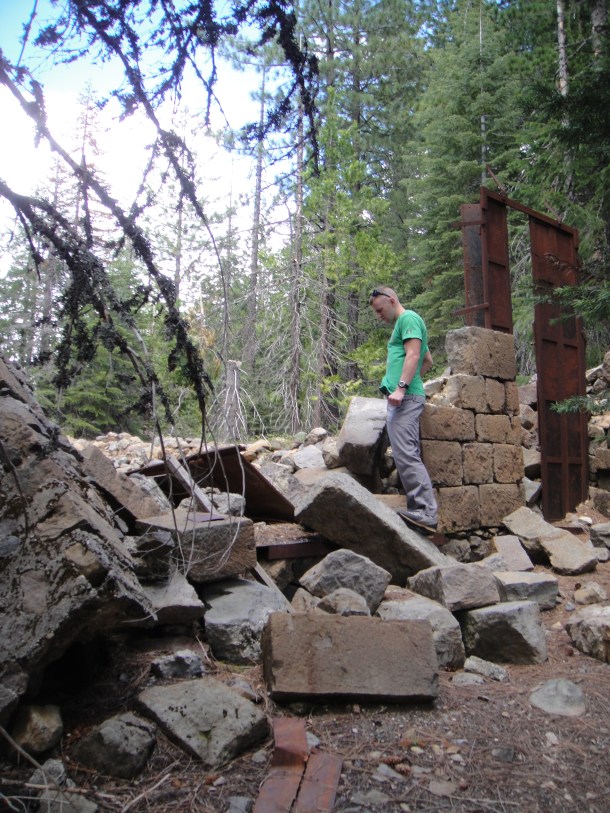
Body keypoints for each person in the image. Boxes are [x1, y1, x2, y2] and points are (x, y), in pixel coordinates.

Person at [369, 286, 438, 531]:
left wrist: (402, 387)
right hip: (407, 397)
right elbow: (427, 360)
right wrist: (410, 382)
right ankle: (419, 512)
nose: (379, 316)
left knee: (406, 454)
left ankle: (426, 513)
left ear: (392, 300)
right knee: (406, 453)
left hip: (405, 400)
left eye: (380, 310)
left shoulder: (408, 318)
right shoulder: (407, 323)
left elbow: (413, 355)